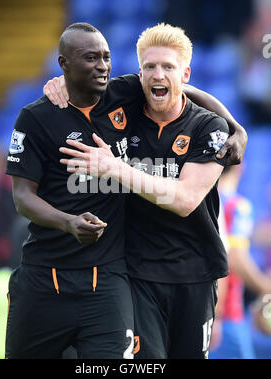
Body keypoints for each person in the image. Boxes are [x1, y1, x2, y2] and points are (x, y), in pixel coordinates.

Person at [58, 23, 237, 359]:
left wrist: (116, 168)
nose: (159, 75)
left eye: (168, 67)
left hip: (195, 274)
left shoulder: (209, 127)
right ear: (140, 74)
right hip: (136, 274)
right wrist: (59, 85)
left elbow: (185, 200)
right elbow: (80, 89)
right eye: (150, 67)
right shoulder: (122, 113)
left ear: (186, 73)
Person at [5, 23, 139, 359]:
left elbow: (179, 87)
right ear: (64, 64)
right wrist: (69, 223)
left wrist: (236, 128)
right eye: (91, 58)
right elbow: (22, 197)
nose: (103, 66)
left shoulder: (124, 95)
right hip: (43, 280)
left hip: (106, 281)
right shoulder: (35, 118)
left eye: (106, 57)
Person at [209, 165, 271, 359]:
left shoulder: (204, 199)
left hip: (202, 306)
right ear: (240, 167)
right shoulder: (237, 205)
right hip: (227, 313)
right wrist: (264, 287)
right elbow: (234, 257)